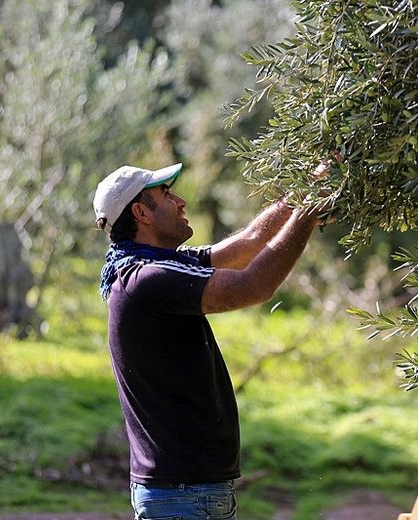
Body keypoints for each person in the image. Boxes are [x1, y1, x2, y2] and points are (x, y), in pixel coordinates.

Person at [92, 161, 329, 520]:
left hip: (184, 493)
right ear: (142, 213)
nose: (181, 202)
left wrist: (306, 188)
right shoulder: (148, 278)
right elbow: (253, 285)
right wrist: (308, 213)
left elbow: (249, 242)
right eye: (167, 195)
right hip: (184, 495)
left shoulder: (157, 266)